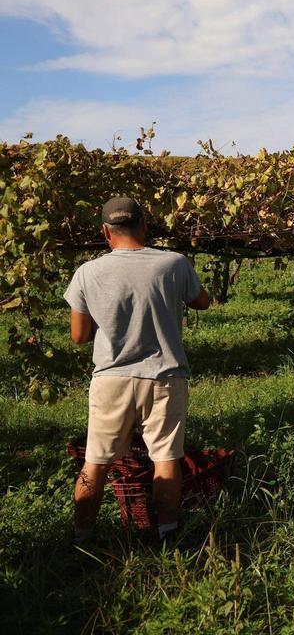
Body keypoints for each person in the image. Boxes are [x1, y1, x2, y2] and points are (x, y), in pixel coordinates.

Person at [65, 197, 211, 543]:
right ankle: (166, 533)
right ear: (144, 225)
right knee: (166, 457)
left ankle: (81, 537)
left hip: (112, 379)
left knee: (95, 463)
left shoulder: (88, 272)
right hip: (165, 377)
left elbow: (79, 336)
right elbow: (202, 302)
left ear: (105, 232)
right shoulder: (174, 263)